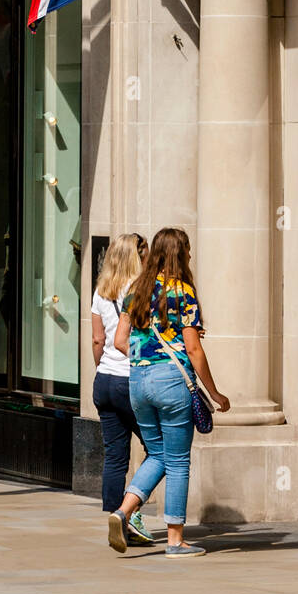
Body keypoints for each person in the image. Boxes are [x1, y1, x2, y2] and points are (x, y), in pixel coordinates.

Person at [109, 227, 229, 559]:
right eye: (187, 250)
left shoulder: (136, 289)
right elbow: (193, 349)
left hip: (138, 381)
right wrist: (216, 394)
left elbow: (119, 341)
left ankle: (122, 513)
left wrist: (144, 358)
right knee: (177, 461)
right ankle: (175, 541)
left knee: (158, 455)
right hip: (172, 383)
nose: (191, 255)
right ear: (180, 254)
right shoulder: (184, 292)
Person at [91, 232, 153, 547]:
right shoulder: (142, 291)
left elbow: (97, 340)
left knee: (115, 455)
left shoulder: (101, 291)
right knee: (159, 450)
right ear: (136, 256)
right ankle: (129, 514)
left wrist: (101, 367)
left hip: (103, 380)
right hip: (132, 378)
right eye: (145, 254)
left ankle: (115, 517)